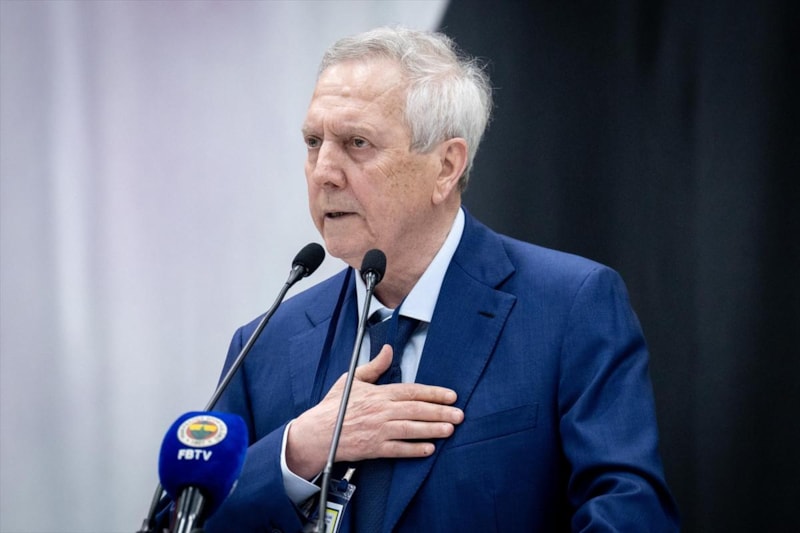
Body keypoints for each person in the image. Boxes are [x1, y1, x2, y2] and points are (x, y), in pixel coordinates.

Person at [205, 26, 679, 532]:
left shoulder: (569, 308)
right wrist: (297, 450)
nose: (324, 171)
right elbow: (186, 517)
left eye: (357, 143)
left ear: (446, 167)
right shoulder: (264, 345)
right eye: (313, 142)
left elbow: (630, 515)